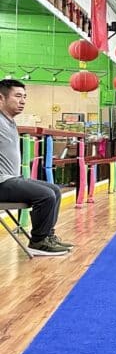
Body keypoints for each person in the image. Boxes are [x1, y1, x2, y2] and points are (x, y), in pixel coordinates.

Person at [0, 79, 73, 256]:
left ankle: (47, 236)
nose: (23, 101)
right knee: (45, 195)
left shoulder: (9, 121)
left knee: (54, 190)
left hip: (11, 179)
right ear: (1, 98)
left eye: (25, 97)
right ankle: (38, 242)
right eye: (17, 96)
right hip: (2, 182)